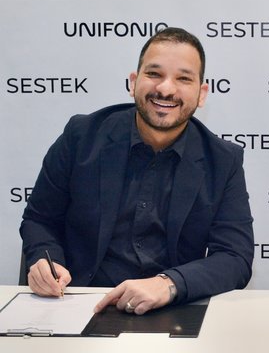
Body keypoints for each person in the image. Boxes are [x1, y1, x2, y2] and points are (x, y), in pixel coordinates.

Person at [20, 27, 254, 315]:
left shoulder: (223, 160)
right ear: (133, 82)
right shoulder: (81, 137)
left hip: (170, 308)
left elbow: (235, 257)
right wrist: (45, 260)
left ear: (201, 93)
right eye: (154, 74)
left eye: (183, 78)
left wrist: (169, 283)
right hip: (79, 302)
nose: (166, 89)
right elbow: (39, 219)